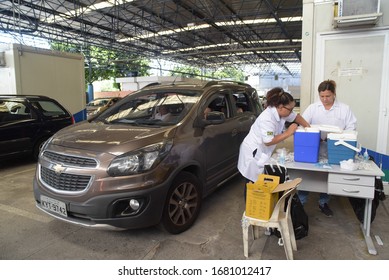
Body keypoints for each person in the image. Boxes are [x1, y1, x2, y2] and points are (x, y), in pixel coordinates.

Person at [298, 79, 357, 217]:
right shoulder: (313, 108)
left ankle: (323, 202)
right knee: (307, 173)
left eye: (328, 96)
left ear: (334, 94)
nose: (324, 99)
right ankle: (301, 201)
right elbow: (303, 125)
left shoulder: (344, 109)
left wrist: (335, 137)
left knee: (328, 175)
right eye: (322, 96)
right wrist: (314, 135)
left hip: (336, 148)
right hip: (315, 147)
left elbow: (351, 128)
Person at [238, 87, 310, 192]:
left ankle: (261, 204)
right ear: (280, 107)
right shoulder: (267, 119)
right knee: (252, 184)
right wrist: (288, 132)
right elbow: (268, 141)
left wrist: (309, 128)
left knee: (261, 182)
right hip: (253, 153)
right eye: (290, 109)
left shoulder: (283, 112)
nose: (292, 112)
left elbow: (296, 117)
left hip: (263, 151)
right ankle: (251, 207)